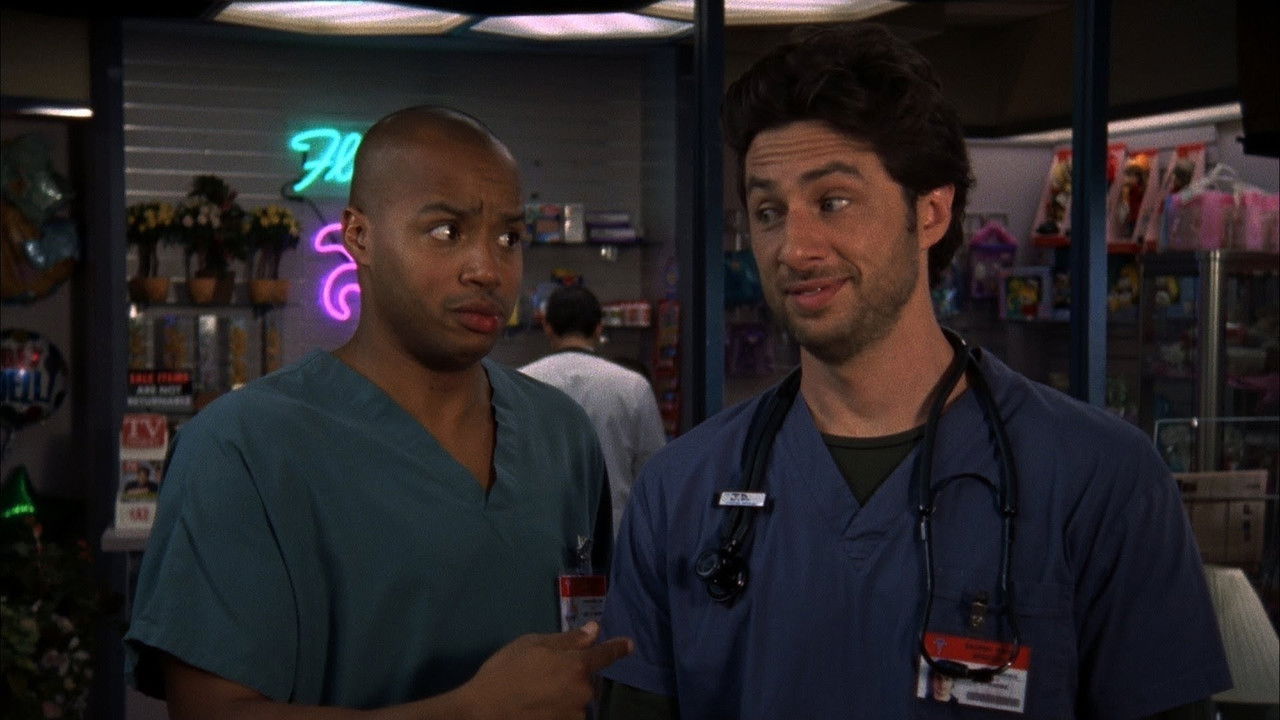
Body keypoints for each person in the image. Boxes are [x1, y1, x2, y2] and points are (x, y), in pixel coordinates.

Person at [598, 24, 1230, 720]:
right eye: (769, 211)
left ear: (931, 211)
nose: (794, 248)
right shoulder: (680, 492)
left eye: (833, 201)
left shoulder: (1099, 481)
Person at [125, 105, 632, 719]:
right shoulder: (242, 448)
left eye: (509, 238)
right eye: (446, 231)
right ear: (359, 237)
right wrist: (469, 712)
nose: (488, 269)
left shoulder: (562, 434)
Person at [519, 285, 667, 533]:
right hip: (613, 533)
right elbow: (654, 471)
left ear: (547, 326)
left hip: (539, 532)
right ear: (599, 328)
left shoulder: (521, 383)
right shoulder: (633, 386)